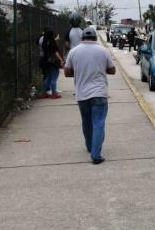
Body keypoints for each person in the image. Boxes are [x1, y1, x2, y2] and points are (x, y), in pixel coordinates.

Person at [64, 26, 116, 164]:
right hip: (99, 93)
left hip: (82, 94)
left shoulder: (73, 52)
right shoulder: (103, 51)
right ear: (95, 37)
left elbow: (67, 72)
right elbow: (112, 70)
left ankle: (89, 146)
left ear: (82, 38)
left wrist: (80, 71)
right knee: (98, 123)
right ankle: (96, 154)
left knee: (86, 122)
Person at [39, 28, 63, 99]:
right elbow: (55, 53)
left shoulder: (44, 42)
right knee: (54, 78)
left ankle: (44, 93)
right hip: (53, 62)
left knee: (47, 77)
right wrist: (61, 60)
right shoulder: (52, 42)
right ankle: (54, 94)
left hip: (45, 61)